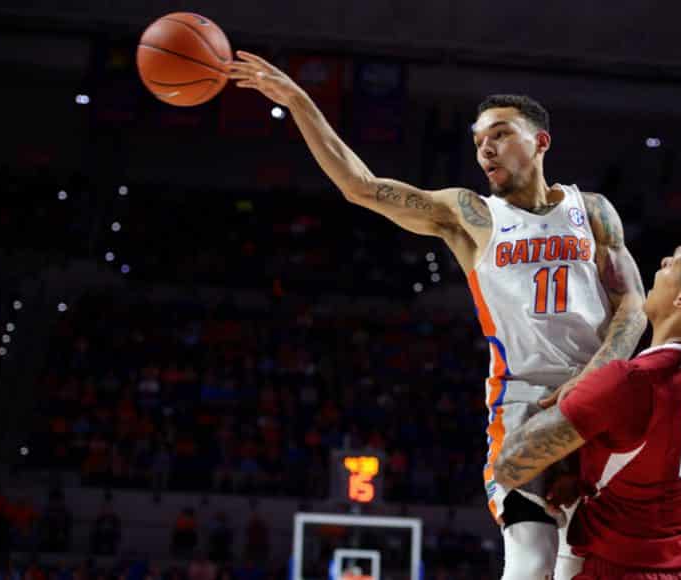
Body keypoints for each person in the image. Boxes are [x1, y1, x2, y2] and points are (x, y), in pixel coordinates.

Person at [229, 53, 647, 579]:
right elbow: (360, 186)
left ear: (541, 141)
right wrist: (299, 102)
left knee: (581, 564)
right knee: (529, 554)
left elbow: (632, 306)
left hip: (601, 394)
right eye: (478, 141)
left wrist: (592, 380)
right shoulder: (469, 214)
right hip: (524, 399)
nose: (485, 148)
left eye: (499, 134)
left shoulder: (592, 210)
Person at [493, 226, 681, 579]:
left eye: (675, 262)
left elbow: (511, 464)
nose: (664, 262)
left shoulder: (631, 382)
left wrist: (533, 402)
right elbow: (653, 463)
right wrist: (583, 473)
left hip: (622, 568)